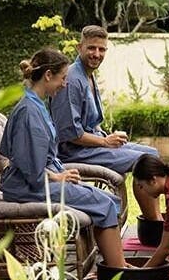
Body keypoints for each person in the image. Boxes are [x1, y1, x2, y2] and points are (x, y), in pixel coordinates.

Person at [0, 47, 126, 268]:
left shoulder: (36, 105)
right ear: (48, 75)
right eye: (63, 77)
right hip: (29, 187)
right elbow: (30, 169)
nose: (64, 83)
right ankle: (118, 270)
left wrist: (59, 174)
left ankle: (115, 264)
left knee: (108, 200)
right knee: (103, 203)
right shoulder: (29, 112)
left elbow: (30, 159)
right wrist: (57, 178)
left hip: (37, 180)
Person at [50, 25, 160, 217]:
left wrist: (109, 138)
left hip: (92, 146)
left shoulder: (87, 76)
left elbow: (90, 123)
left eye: (102, 49)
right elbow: (69, 133)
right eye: (91, 48)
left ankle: (155, 220)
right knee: (146, 161)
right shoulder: (72, 80)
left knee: (153, 153)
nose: (97, 54)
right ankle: (154, 222)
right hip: (72, 152)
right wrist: (105, 142)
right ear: (79, 47)